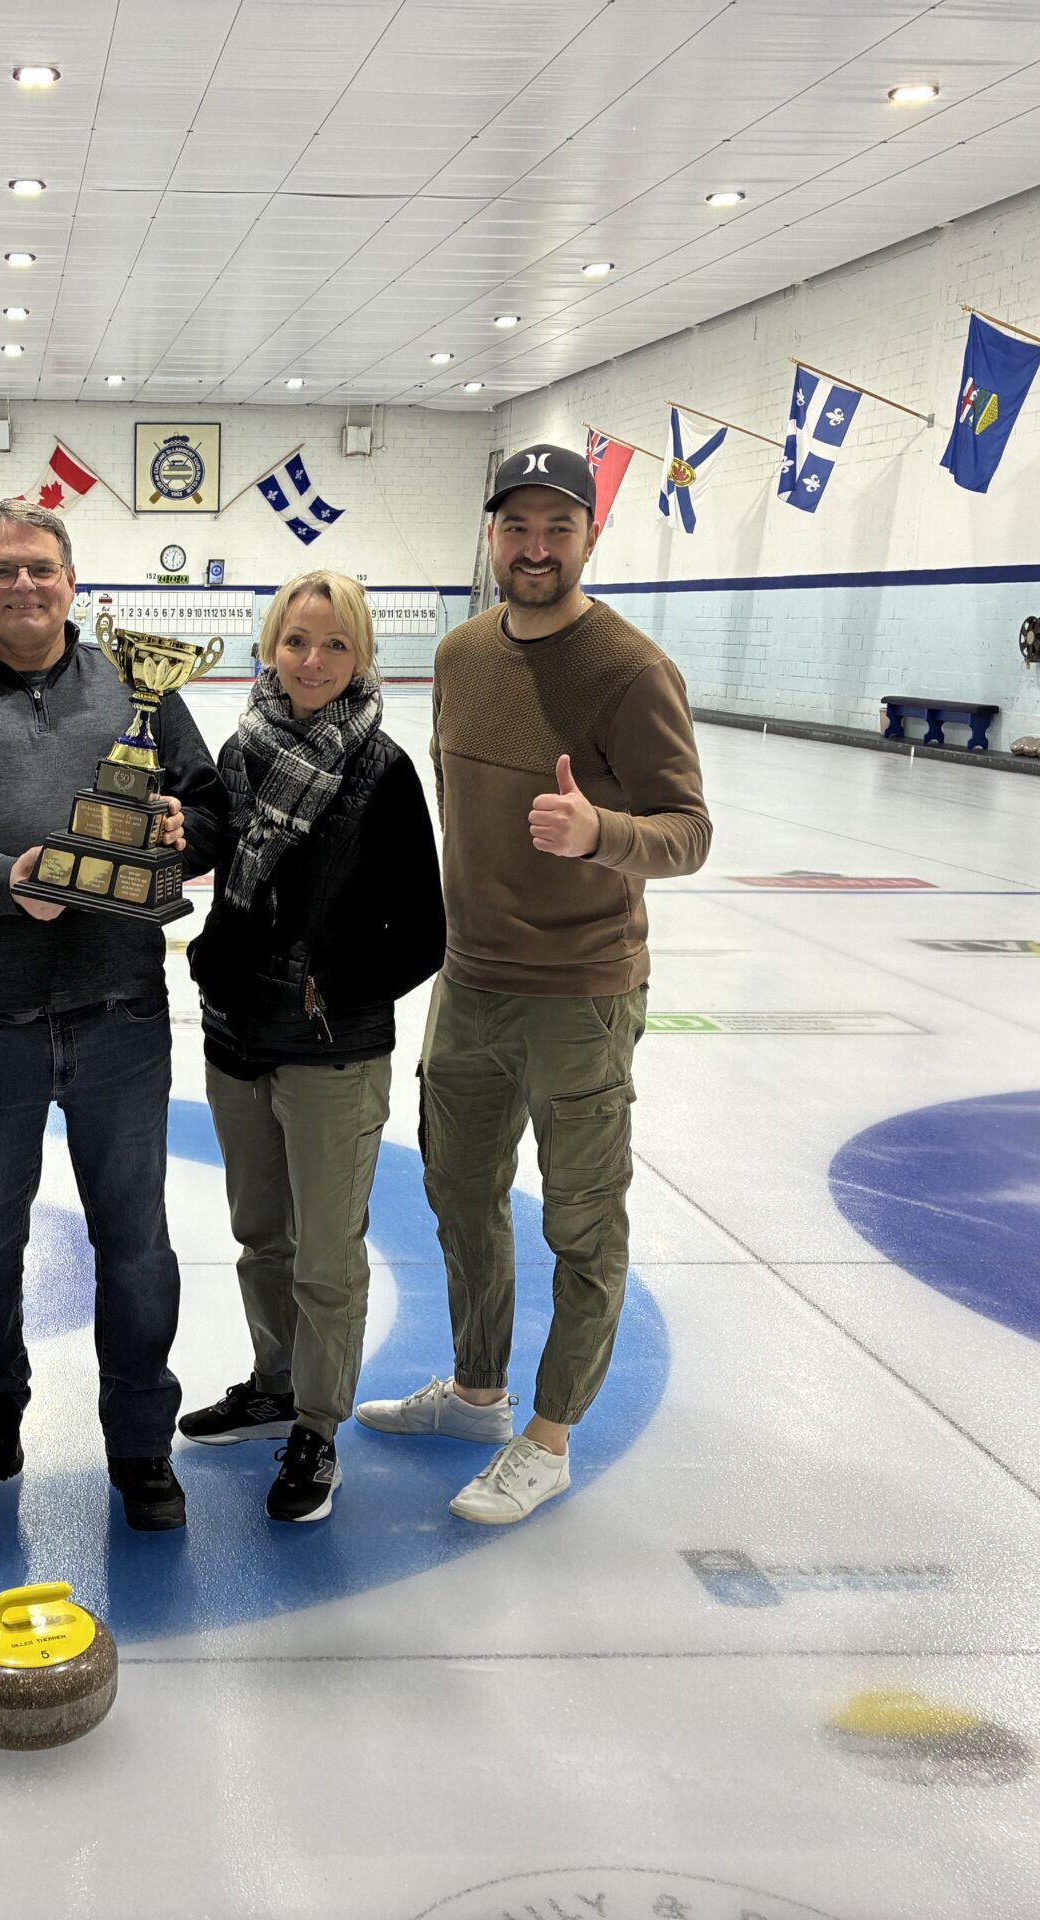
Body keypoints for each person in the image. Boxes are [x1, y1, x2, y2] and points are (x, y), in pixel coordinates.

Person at [355, 444, 710, 1525]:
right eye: (517, 527)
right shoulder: (461, 654)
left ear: (590, 537)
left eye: (558, 527)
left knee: (581, 1221)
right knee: (459, 1195)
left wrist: (600, 831)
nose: (536, 547)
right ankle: (476, 1392)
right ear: (491, 537)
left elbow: (687, 834)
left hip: (580, 991)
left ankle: (549, 1435)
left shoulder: (631, 670)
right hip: (472, 983)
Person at [0, 500, 228, 1532]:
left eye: (41, 569)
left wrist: (176, 827)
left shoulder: (130, 685)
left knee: (135, 1243)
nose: (24, 587)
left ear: (72, 582)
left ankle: (139, 1448)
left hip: (118, 1015)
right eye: (2, 571)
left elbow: (205, 810)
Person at [181, 570, 443, 1523]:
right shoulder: (240, 751)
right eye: (297, 641)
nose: (314, 661)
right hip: (237, 1034)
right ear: (270, 647)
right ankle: (276, 1382)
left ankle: (318, 1427)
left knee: (327, 1256)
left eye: (335, 645)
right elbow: (213, 864)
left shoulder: (383, 771)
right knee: (262, 1235)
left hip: (333, 1048)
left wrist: (334, 980)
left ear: (362, 653)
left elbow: (424, 933)